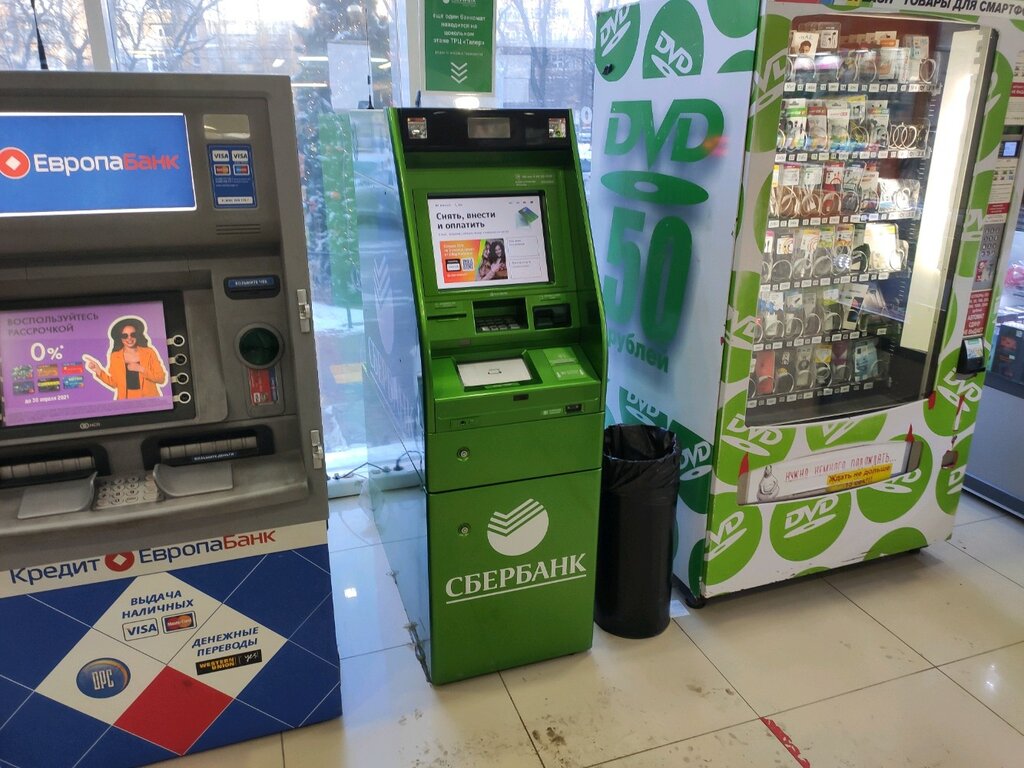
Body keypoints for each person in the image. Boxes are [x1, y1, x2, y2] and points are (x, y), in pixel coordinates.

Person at [84, 317, 168, 399]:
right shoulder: (115, 356)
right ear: (120, 338)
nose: (129, 338)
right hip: (125, 400)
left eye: (133, 334)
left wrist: (141, 369)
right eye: (125, 335)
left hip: (150, 399)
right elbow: (114, 383)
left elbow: (161, 379)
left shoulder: (149, 352)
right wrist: (98, 370)